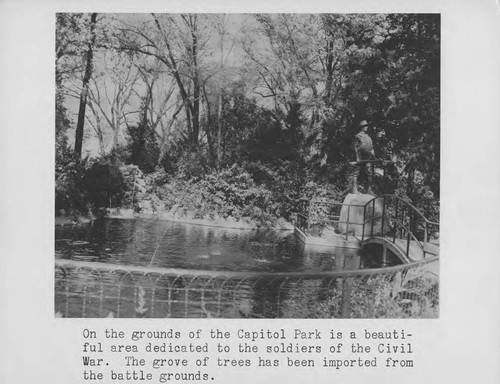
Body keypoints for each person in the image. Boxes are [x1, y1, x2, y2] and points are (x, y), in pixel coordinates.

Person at [352, 120, 376, 194]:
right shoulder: (358, 136)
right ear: (361, 127)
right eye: (365, 126)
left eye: (367, 126)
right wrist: (357, 157)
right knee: (356, 173)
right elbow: (355, 147)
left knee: (369, 173)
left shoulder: (369, 138)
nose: (367, 127)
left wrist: (375, 157)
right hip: (360, 157)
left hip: (367, 158)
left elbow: (371, 149)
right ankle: (354, 189)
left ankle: (369, 189)